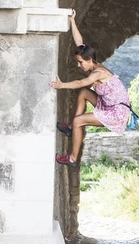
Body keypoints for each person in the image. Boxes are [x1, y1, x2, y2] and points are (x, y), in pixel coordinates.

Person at [50, 10, 130, 167]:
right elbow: (79, 42)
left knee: (79, 119)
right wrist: (72, 21)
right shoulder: (93, 64)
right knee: (84, 93)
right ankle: (71, 129)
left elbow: (80, 82)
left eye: (80, 62)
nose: (78, 65)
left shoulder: (98, 73)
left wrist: (62, 85)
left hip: (117, 113)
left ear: (89, 60)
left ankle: (72, 159)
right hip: (110, 105)